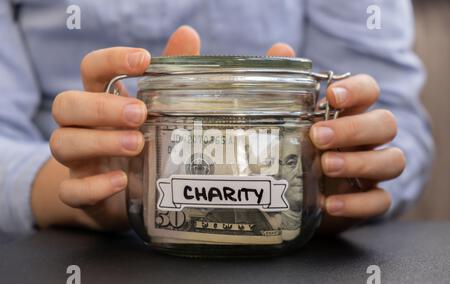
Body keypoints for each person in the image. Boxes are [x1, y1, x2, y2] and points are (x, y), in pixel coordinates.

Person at [0, 0, 433, 237]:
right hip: (58, 242)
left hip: (308, 255)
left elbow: (399, 121)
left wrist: (347, 168)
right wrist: (78, 188)